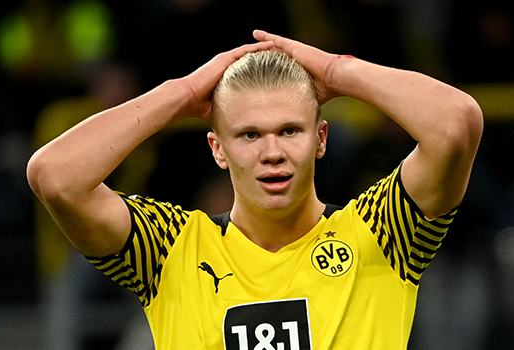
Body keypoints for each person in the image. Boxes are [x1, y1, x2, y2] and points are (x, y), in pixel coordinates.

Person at [26, 30, 483, 349]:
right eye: (248, 135)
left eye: (290, 131)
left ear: (321, 139)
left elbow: (457, 123)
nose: (272, 152)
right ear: (217, 149)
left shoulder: (380, 234)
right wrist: (183, 93)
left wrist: (334, 70)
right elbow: (55, 176)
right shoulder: (170, 248)